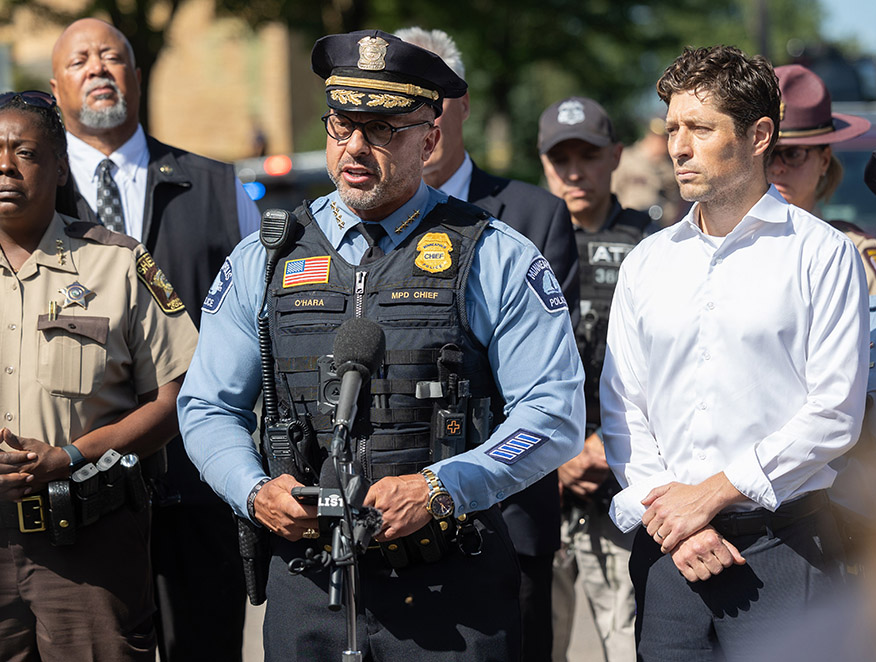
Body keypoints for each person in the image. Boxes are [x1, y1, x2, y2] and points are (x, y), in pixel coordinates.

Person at [178, 30, 585, 661]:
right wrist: (254, 489)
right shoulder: (266, 256)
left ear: (430, 137)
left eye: (383, 129)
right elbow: (207, 406)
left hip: (452, 591)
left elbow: (554, 415)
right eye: (342, 126)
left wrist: (441, 486)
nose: (356, 149)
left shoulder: (495, 254)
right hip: (308, 588)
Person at [0, 91, 197, 661]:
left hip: (89, 546)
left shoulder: (117, 264)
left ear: (58, 166)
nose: (4, 165)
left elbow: (176, 395)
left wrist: (73, 455)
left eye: (24, 151)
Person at [601, 45, 867, 660]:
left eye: (699, 128)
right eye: (672, 128)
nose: (678, 146)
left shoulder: (821, 255)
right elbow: (623, 409)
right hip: (671, 553)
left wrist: (715, 492)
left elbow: (833, 415)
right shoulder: (647, 262)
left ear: (758, 135)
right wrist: (672, 518)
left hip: (785, 548)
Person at [49, 18, 258, 660]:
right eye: (80, 59)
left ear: (137, 78)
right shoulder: (28, 199)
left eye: (113, 57)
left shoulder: (221, 189)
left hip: (202, 484)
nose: (98, 68)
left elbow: (265, 329)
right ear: (55, 87)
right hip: (80, 488)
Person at [393, 26, 578, 662]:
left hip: (508, 517)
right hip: (386, 521)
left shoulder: (532, 215)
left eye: (433, 96)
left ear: (461, 103)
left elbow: (543, 376)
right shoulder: (345, 229)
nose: (419, 115)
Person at [538, 96, 648, 662]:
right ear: (543, 163)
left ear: (616, 157)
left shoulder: (653, 245)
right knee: (536, 643)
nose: (576, 172)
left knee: (630, 643)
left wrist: (606, 445)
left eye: (590, 155)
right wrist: (554, 455)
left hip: (620, 480)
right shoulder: (519, 245)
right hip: (538, 482)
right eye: (562, 159)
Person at [768, 64, 876, 295]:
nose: (777, 168)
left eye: (793, 154)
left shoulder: (853, 253)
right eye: (766, 155)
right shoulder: (718, 245)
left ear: (824, 160)